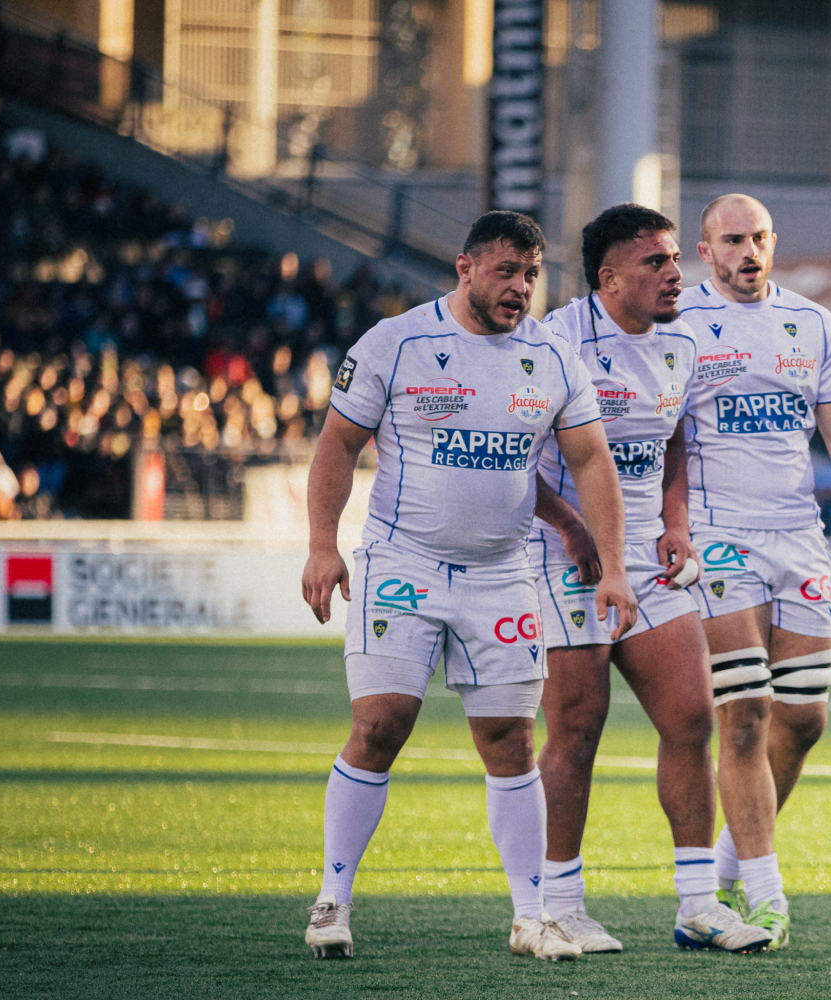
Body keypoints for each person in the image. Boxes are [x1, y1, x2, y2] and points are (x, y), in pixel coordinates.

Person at [297, 211, 639, 962]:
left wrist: (609, 560)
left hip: (501, 575)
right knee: (381, 723)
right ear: (465, 268)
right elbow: (337, 447)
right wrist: (323, 546)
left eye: (530, 274)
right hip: (402, 562)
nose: (519, 288)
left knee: (511, 741)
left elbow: (590, 464)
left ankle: (531, 918)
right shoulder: (398, 343)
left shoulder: (550, 357)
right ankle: (332, 899)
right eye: (506, 272)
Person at [529, 204, 775, 955]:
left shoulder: (683, 343)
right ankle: (557, 904)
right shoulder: (554, 342)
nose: (676, 273)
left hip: (649, 561)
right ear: (608, 279)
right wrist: (574, 529)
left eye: (675, 258)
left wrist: (676, 523)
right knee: (577, 726)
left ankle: (699, 903)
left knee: (693, 717)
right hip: (564, 554)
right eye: (655, 263)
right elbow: (515, 456)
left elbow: (673, 443)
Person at [674, 193, 831, 947]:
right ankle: (768, 896)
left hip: (799, 539)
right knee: (744, 714)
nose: (747, 253)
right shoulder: (678, 323)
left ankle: (725, 870)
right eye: (732, 241)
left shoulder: (811, 325)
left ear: (773, 243)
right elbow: (662, 436)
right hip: (719, 540)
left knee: (805, 721)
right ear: (706, 250)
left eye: (758, 239)